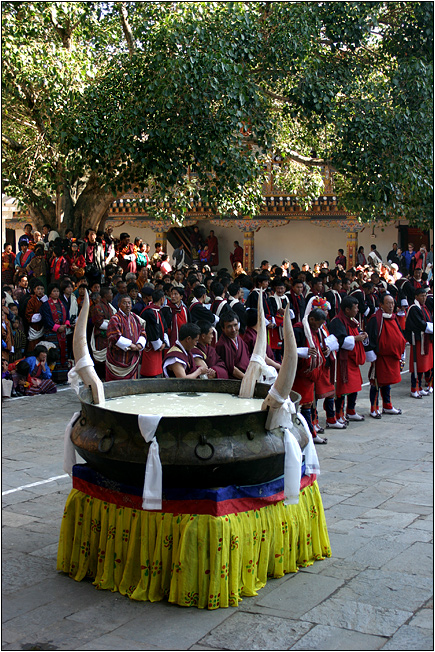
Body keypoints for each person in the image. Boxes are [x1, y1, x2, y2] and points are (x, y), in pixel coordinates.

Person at [292, 306, 329, 444]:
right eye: (318, 324)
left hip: (311, 376)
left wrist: (324, 351)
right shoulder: (298, 330)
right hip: (300, 375)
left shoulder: (315, 330)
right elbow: (289, 349)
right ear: (311, 319)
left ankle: (311, 433)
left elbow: (318, 347)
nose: (318, 327)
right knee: (301, 406)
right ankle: (307, 435)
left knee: (309, 405)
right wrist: (304, 351)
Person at [366, 294, 407, 417]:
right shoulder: (375, 319)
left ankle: (387, 405)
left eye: (393, 303)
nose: (391, 306)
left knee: (387, 382)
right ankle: (374, 408)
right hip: (380, 357)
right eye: (388, 303)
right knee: (376, 382)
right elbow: (369, 337)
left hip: (392, 357)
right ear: (381, 305)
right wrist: (371, 354)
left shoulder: (394, 318)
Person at [329, 295, 368, 423]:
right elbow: (338, 340)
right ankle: (339, 414)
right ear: (347, 310)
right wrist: (356, 338)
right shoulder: (337, 321)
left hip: (353, 360)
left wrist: (362, 334)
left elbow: (357, 331)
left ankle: (351, 411)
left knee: (354, 386)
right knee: (342, 389)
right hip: (342, 361)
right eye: (355, 308)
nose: (357, 310)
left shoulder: (352, 320)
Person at [106, 295, 146, 381]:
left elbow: (142, 331)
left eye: (129, 303)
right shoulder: (115, 319)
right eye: (124, 303)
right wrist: (132, 345)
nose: (128, 305)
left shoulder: (135, 317)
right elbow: (115, 337)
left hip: (132, 360)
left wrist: (140, 344)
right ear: (119, 304)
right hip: (119, 359)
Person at [404, 286, 433, 398]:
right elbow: (421, 324)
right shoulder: (414, 308)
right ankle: (413, 388)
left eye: (425, 295)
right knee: (417, 365)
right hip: (418, 341)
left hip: (425, 339)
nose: (424, 298)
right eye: (422, 296)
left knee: (424, 365)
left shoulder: (424, 307)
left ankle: (419, 387)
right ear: (416, 296)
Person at [40, 283, 71, 383]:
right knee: (53, 354)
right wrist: (57, 328)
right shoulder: (45, 305)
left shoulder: (63, 304)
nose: (56, 293)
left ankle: (63, 377)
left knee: (63, 354)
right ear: (50, 293)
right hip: (52, 333)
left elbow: (67, 317)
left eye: (57, 291)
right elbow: (47, 319)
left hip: (62, 333)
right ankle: (52, 377)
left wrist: (65, 325)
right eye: (54, 291)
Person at [139, 290, 168, 378]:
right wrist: (159, 345)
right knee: (150, 372)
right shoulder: (149, 312)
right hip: (150, 347)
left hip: (159, 347)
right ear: (162, 299)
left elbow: (164, 327)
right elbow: (151, 331)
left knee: (156, 371)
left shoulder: (158, 311)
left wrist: (164, 343)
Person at [215, 310, 250, 379]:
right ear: (223, 329)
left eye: (235, 325)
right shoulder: (222, 345)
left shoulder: (239, 339)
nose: (233, 330)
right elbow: (231, 369)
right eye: (229, 327)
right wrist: (247, 379)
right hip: (236, 380)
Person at [90, 286, 116, 379]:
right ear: (105, 295)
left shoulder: (109, 306)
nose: (112, 295)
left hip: (109, 338)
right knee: (100, 362)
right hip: (101, 338)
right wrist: (113, 325)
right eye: (110, 294)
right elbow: (99, 323)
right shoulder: (98, 307)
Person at [24, 280, 47, 352]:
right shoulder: (31, 301)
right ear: (34, 290)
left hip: (43, 327)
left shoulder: (46, 299)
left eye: (42, 289)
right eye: (38, 289)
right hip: (34, 328)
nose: (40, 291)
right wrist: (40, 316)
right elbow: (28, 315)